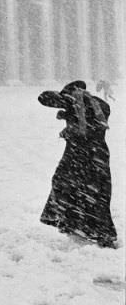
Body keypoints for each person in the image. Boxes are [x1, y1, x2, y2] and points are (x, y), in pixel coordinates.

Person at [38, 80, 117, 248]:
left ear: (71, 92)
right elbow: (93, 122)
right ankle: (102, 232)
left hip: (78, 153)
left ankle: (73, 223)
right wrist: (69, 114)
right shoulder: (100, 104)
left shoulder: (72, 101)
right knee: (98, 192)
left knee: (64, 184)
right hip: (99, 153)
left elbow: (43, 98)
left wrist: (66, 100)